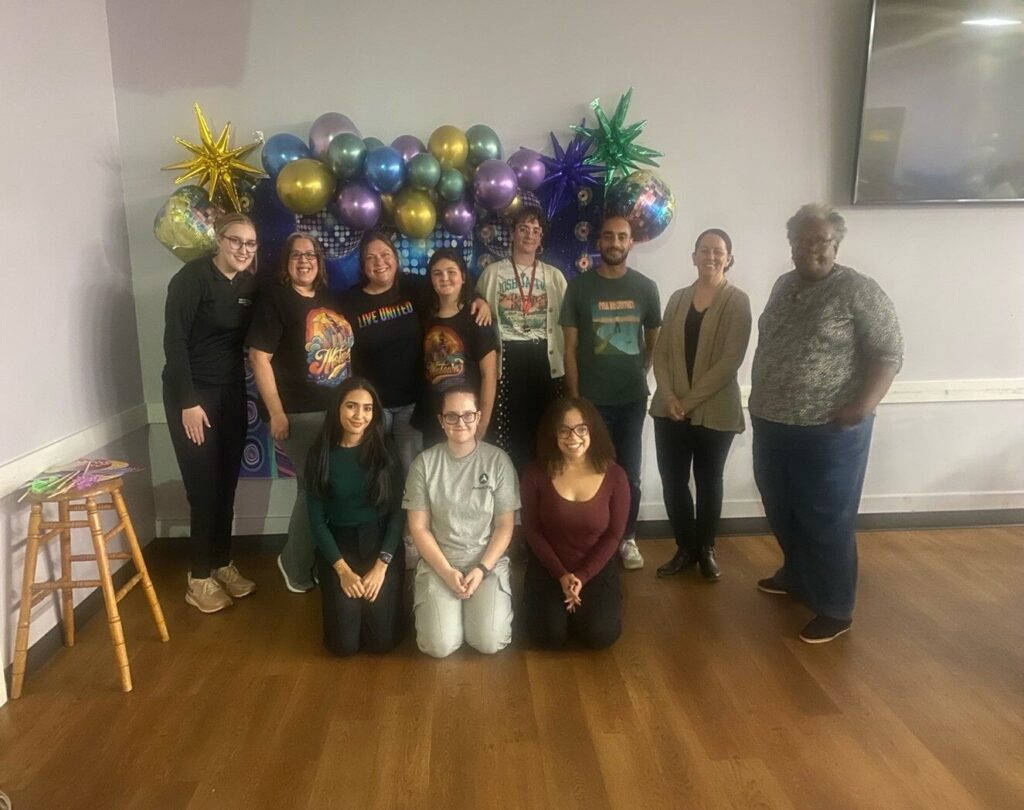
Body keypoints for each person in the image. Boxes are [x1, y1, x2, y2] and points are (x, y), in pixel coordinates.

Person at [749, 203, 903, 644]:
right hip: (773, 421)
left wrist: (862, 405)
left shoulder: (858, 290)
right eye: (802, 241)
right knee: (780, 506)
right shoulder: (783, 285)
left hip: (828, 431)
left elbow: (889, 352)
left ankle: (835, 606)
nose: (811, 249)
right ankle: (797, 576)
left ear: (836, 244)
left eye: (821, 242)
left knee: (826, 518)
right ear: (791, 245)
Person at [247, 233, 354, 594]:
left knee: (315, 488)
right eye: (296, 255)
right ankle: (293, 562)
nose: (304, 261)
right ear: (286, 263)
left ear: (320, 262)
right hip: (297, 414)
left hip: (334, 412)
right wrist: (276, 413)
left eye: (310, 255)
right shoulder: (275, 300)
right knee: (317, 488)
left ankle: (318, 559)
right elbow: (259, 358)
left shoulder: (328, 300)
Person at [162, 212, 259, 613]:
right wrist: (188, 401)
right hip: (192, 397)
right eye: (235, 241)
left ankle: (221, 563)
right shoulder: (191, 279)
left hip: (231, 394)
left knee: (227, 485)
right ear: (218, 241)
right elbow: (174, 341)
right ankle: (198, 577)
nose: (242, 250)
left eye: (250, 244)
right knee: (203, 489)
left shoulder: (250, 285)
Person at [339, 231, 491, 474]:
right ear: (362, 265)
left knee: (414, 472)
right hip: (370, 408)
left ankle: (413, 514)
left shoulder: (412, 287)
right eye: (371, 258)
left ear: (396, 258)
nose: (379, 262)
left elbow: (449, 288)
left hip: (411, 406)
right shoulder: (349, 300)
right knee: (373, 472)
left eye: (385, 254)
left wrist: (479, 299)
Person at [560, 215, 662, 570]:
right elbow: (569, 349)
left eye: (622, 237)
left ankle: (627, 538)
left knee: (629, 472)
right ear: (598, 242)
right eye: (608, 237)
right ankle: (593, 538)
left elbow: (653, 341)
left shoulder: (646, 288)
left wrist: (639, 372)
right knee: (592, 471)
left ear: (631, 242)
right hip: (591, 401)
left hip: (632, 399)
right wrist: (576, 399)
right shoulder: (579, 288)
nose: (615, 243)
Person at [650, 229, 752, 581]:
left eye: (718, 251)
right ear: (693, 256)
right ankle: (685, 547)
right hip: (669, 411)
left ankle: (706, 549)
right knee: (673, 482)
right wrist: (670, 397)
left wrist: (688, 401)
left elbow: (730, 361)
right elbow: (661, 354)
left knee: (709, 481)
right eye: (704, 250)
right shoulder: (677, 299)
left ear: (729, 258)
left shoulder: (737, 301)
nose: (710, 256)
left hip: (715, 412)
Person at [403, 384, 519, 658]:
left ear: (478, 417)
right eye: (452, 416)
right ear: (441, 421)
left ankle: (478, 607)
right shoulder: (424, 464)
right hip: (439, 564)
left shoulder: (498, 461)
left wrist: (480, 568)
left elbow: (505, 525)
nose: (461, 422)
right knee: (439, 646)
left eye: (468, 415)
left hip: (485, 564)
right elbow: (418, 527)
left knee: (488, 642)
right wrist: (445, 572)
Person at [305, 377, 405, 656]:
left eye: (367, 408)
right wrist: (343, 571)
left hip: (380, 545)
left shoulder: (386, 451)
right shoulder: (320, 454)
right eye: (351, 406)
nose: (359, 416)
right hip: (340, 548)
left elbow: (399, 512)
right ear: (337, 408)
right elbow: (316, 520)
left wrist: (381, 566)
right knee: (343, 647)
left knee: (381, 643)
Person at [521, 397, 629, 649]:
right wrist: (561, 574)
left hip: (594, 567)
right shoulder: (535, 473)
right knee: (547, 637)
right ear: (553, 434)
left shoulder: (616, 476)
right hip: (549, 567)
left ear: (593, 430)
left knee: (599, 635)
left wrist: (582, 575)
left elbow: (614, 536)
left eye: (581, 428)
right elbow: (532, 531)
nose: (573, 437)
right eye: (564, 429)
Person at [476, 205, 567, 473]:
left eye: (536, 231)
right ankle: (510, 497)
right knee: (508, 431)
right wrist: (479, 301)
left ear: (541, 239)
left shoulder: (554, 276)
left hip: (544, 359)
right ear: (513, 234)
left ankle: (541, 496)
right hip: (508, 360)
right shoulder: (493, 273)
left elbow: (569, 321)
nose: (529, 235)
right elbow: (475, 305)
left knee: (545, 429)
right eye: (523, 229)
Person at [412, 249, 498, 447]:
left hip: (466, 418)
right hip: (433, 418)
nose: (445, 278)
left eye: (451, 272)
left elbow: (489, 375)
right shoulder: (425, 316)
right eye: (437, 273)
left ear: (463, 276)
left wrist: (482, 422)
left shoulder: (478, 318)